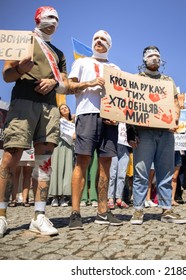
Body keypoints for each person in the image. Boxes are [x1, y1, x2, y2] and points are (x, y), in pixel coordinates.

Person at [0, 6, 69, 240]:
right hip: (23, 100)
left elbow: (65, 83)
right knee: (11, 157)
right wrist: (21, 68)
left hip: (50, 106)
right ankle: (0, 216)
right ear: (38, 18)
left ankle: (39, 216)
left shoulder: (59, 53)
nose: (54, 22)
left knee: (44, 163)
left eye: (57, 19)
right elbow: (7, 75)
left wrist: (54, 83)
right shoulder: (21, 40)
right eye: (49, 17)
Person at [67, 30, 122, 229]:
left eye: (104, 39)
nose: (99, 41)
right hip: (87, 114)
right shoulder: (82, 63)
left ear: (109, 45)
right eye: (96, 39)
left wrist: (116, 116)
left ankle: (102, 212)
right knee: (82, 161)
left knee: (105, 165)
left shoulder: (115, 67)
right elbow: (68, 86)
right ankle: (75, 213)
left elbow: (121, 96)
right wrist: (90, 83)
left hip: (109, 119)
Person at [128, 45, 186, 225]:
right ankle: (138, 210)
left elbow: (176, 102)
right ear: (144, 59)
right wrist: (131, 131)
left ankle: (166, 208)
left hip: (166, 133)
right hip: (143, 133)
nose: (154, 58)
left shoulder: (169, 80)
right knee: (141, 171)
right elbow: (129, 106)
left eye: (157, 56)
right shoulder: (136, 79)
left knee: (166, 171)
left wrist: (175, 119)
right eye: (150, 55)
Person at [49, 103, 75, 207]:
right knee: (57, 169)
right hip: (59, 145)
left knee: (67, 170)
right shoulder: (58, 121)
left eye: (66, 107)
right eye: (62, 108)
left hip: (69, 147)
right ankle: (55, 196)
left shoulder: (73, 122)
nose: (64, 109)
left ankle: (64, 196)